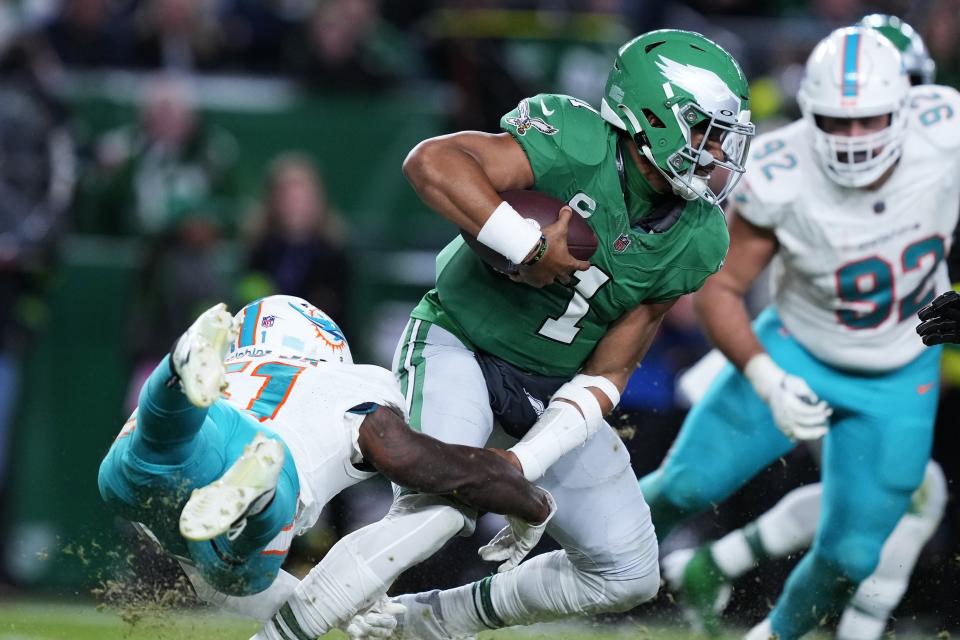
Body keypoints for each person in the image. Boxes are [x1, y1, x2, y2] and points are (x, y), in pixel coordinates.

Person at [333, 29, 754, 640]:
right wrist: (525, 245)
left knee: (629, 572)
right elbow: (432, 161)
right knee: (442, 510)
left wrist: (520, 463)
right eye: (706, 131)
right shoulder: (576, 141)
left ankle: (435, 622)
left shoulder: (699, 235)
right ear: (656, 118)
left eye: (722, 136)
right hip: (462, 342)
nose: (717, 152)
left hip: (550, 384)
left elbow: (609, 372)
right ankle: (307, 609)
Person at [637, 26, 960, 640]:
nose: (856, 140)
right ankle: (553, 570)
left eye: (870, 120)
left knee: (855, 556)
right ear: (809, 112)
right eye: (838, 123)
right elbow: (722, 287)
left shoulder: (947, 132)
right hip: (799, 350)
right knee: (686, 485)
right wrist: (766, 374)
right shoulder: (781, 168)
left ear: (907, 104)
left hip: (901, 370)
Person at [98, 295, 554, 635]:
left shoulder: (231, 370)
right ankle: (257, 500)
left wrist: (346, 606)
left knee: (159, 452)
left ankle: (173, 382)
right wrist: (528, 502)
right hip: (267, 456)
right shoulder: (346, 381)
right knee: (243, 559)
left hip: (172, 450)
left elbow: (203, 584)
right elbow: (424, 464)